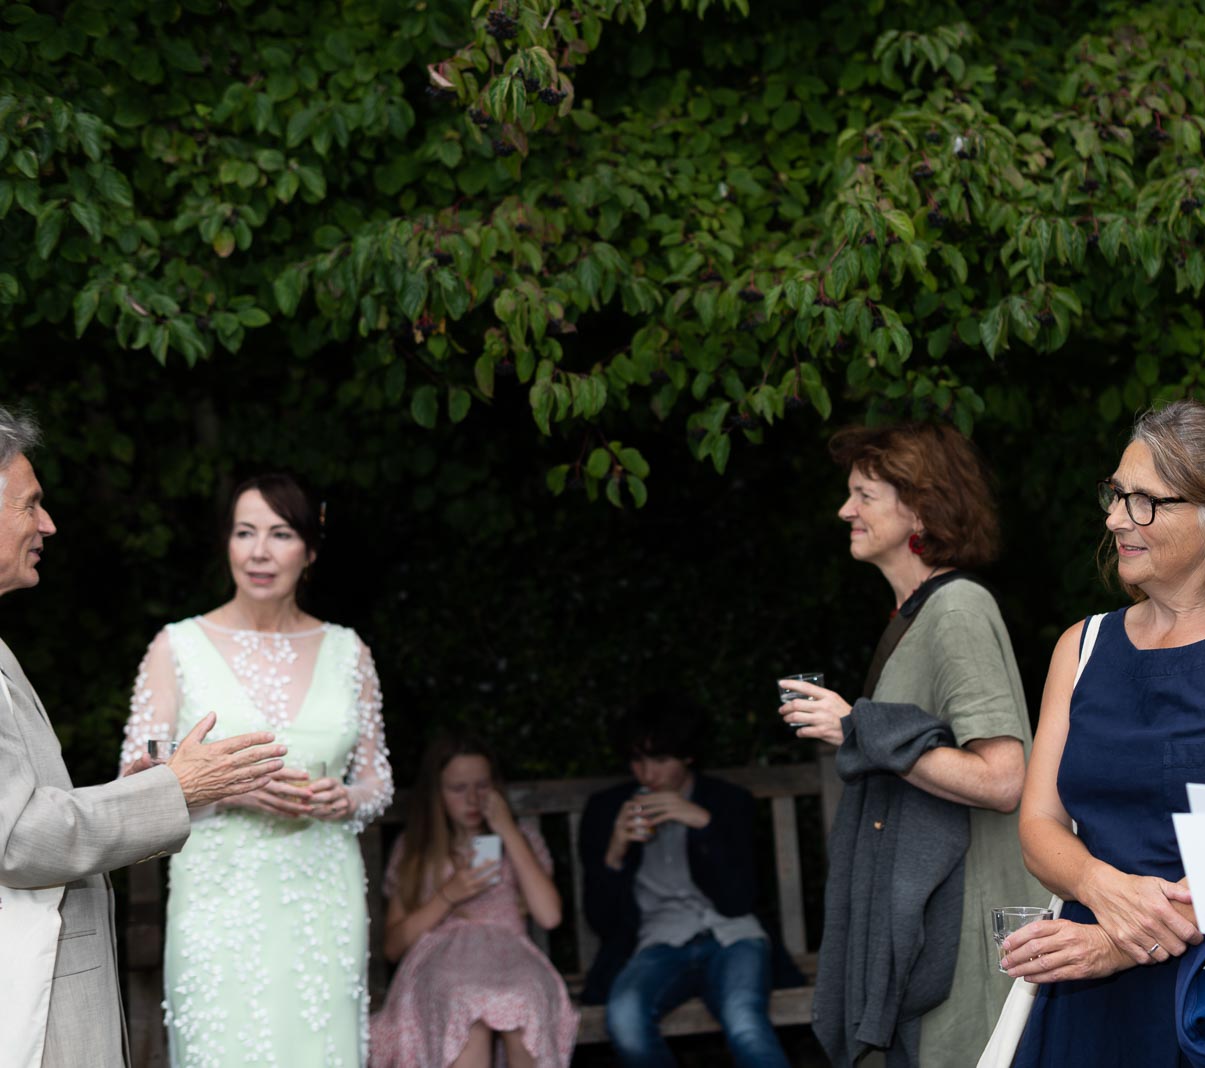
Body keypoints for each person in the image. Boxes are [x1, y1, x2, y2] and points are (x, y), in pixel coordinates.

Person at [1001, 400, 1205, 1066]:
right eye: (1117, 496)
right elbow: (1038, 823)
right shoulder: (1080, 645)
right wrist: (1098, 887)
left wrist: (1120, 944)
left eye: (1145, 501)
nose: (1117, 518)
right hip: (1079, 986)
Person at [0, 407, 286, 1068]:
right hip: (31, 1001)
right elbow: (18, 838)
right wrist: (172, 791)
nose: (49, 524)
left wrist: (140, 798)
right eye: (30, 506)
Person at [117, 472, 393, 1067]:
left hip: (324, 893)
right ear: (227, 544)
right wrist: (230, 785)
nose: (259, 552)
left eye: (280, 534)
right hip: (220, 899)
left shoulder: (351, 651)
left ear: (310, 551)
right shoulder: (177, 646)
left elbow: (378, 783)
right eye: (245, 533)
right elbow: (135, 777)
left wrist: (346, 801)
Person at [791, 422, 1041, 1068]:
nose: (845, 510)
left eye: (864, 494)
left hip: (970, 948)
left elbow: (1004, 777)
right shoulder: (916, 615)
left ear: (920, 508)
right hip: (934, 936)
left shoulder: (957, 611)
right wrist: (860, 731)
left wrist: (860, 729)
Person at [578, 697, 797, 1067]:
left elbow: (739, 900)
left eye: (660, 760)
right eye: (637, 760)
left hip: (733, 935)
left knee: (744, 1021)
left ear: (688, 757)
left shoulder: (728, 802)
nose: (647, 774)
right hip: (657, 942)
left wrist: (703, 826)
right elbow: (602, 921)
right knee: (625, 1020)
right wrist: (614, 852)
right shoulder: (606, 810)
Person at [372, 737, 578, 1068]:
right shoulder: (416, 848)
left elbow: (550, 916)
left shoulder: (521, 839)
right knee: (463, 1004)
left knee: (524, 999)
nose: (472, 799)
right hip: (442, 957)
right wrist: (448, 895)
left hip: (509, 953)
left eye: (482, 786)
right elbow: (394, 947)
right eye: (457, 788)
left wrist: (507, 831)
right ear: (435, 794)